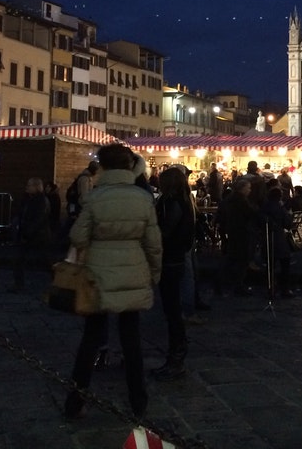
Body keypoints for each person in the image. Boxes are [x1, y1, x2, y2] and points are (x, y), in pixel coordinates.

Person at [64, 144, 162, 421]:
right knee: (131, 340)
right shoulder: (143, 198)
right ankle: (138, 402)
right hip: (133, 271)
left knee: (91, 340)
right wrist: (154, 273)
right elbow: (153, 243)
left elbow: (78, 237)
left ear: (103, 167)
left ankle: (75, 401)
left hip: (97, 274)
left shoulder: (95, 198)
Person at [151, 166, 195, 380]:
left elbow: (165, 231)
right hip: (176, 257)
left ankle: (176, 356)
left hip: (170, 259)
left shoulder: (171, 203)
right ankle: (177, 353)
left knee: (172, 309)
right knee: (172, 308)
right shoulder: (184, 201)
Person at [12, 177, 52, 291]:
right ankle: (18, 284)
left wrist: (28, 232)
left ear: (36, 187)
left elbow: (39, 219)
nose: (27, 187)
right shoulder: (28, 199)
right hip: (29, 234)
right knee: (19, 259)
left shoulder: (41, 201)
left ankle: (56, 281)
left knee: (45, 261)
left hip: (38, 235)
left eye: (29, 185)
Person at [216, 178, 255, 296]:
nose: (250, 190)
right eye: (248, 188)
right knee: (241, 259)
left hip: (232, 231)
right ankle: (238, 285)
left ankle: (223, 284)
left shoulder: (229, 199)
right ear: (243, 189)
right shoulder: (241, 200)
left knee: (231, 259)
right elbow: (250, 213)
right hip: (240, 231)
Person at [258, 186, 295, 297]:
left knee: (270, 266)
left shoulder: (264, 207)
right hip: (279, 239)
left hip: (266, 238)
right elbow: (287, 223)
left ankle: (271, 288)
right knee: (285, 265)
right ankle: (284, 288)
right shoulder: (280, 208)